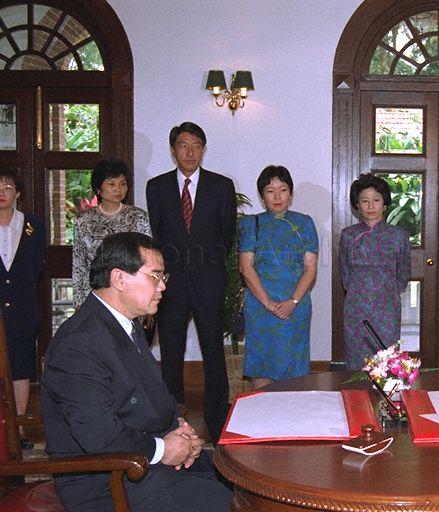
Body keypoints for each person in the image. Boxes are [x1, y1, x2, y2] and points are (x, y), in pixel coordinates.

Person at [40, 232, 232, 512]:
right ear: (119, 279)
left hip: (144, 462)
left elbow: (151, 397)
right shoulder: (78, 343)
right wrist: (164, 449)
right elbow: (100, 439)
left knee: (240, 479)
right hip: (109, 481)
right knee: (234, 504)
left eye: (163, 278)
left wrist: (179, 429)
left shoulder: (125, 325)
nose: (163, 287)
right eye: (155, 276)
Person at [146, 122, 236, 442]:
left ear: (203, 149)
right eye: (183, 145)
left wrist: (205, 264)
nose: (190, 151)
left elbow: (226, 236)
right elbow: (158, 235)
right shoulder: (156, 187)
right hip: (170, 283)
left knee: (214, 350)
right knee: (171, 351)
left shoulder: (221, 186)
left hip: (208, 279)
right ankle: (171, 418)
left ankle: (217, 420)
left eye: (196, 145)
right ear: (173, 150)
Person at [238, 165, 318, 389]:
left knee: (295, 367)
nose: (276, 196)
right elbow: (246, 267)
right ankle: (262, 420)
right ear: (262, 196)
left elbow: (310, 268)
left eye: (282, 189)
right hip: (260, 306)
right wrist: (268, 304)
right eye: (269, 190)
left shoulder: (305, 223)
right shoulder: (250, 224)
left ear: (290, 193)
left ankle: (293, 420)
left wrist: (292, 302)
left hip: (296, 304)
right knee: (262, 366)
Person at [340, 173, 410, 369]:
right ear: (357, 205)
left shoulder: (399, 236)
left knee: (386, 359)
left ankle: (386, 398)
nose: (370, 206)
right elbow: (345, 274)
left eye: (376, 200)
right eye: (365, 201)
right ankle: (357, 398)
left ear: (385, 203)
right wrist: (359, 292)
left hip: (387, 307)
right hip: (356, 307)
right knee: (357, 359)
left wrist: (388, 292)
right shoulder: (348, 235)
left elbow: (403, 272)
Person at [72, 158, 151, 309]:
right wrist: (79, 302)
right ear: (98, 188)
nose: (118, 189)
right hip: (96, 294)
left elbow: (146, 260)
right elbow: (79, 264)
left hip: (131, 292)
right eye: (112, 184)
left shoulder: (138, 216)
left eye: (123, 184)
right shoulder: (84, 220)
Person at [0, 166, 44, 416]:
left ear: (18, 193)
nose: (2, 192)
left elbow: (36, 265)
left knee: (21, 367)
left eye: (7, 187)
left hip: (22, 308)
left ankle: (19, 429)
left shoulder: (33, 224)